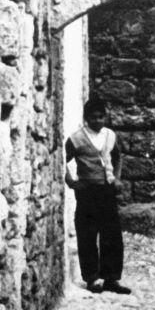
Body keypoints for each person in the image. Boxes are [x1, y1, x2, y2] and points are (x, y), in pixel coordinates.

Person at [65, 98, 131, 295]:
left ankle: (111, 278)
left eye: (101, 117)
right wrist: (72, 182)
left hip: (107, 191)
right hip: (87, 192)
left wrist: (117, 178)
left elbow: (118, 156)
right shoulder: (76, 139)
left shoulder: (110, 136)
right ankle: (92, 278)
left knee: (112, 234)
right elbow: (63, 160)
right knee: (87, 234)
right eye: (94, 117)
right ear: (86, 118)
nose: (98, 121)